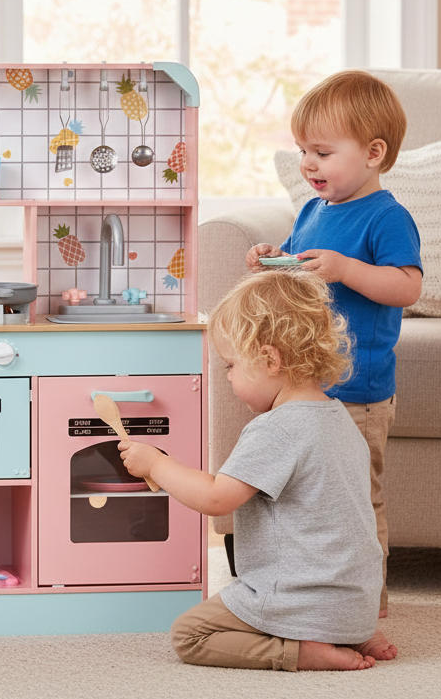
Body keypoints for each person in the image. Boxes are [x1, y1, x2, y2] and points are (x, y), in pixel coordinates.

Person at [120, 269, 396, 671]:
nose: (228, 376)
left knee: (190, 635)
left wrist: (157, 464)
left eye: (230, 365)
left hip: (300, 601)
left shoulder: (277, 428)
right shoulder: (339, 418)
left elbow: (217, 498)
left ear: (269, 359)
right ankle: (350, 631)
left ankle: (300, 650)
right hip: (359, 602)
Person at [245, 69, 422, 616]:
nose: (308, 164)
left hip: (358, 389)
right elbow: (301, 273)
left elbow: (407, 285)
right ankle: (310, 587)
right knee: (308, 495)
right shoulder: (312, 211)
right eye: (303, 151)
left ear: (373, 152)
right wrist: (273, 260)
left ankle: (368, 598)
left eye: (322, 152)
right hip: (305, 385)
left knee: (356, 499)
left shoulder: (388, 216)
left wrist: (347, 268)